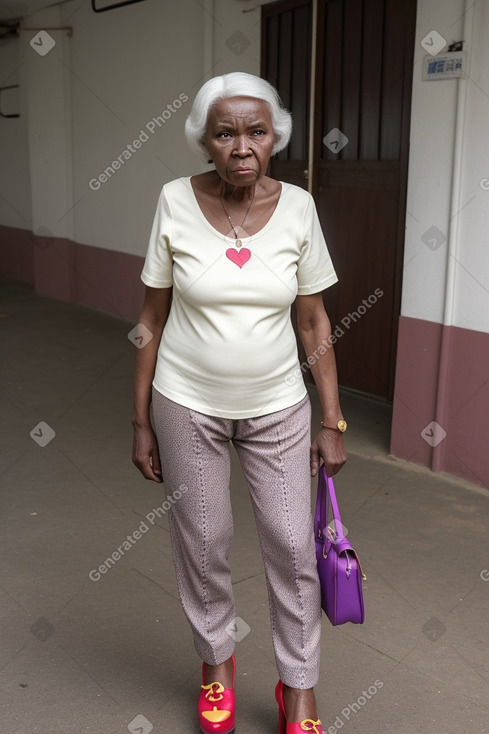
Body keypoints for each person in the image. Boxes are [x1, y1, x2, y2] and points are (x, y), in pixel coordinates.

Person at [132, 71, 347, 734]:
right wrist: (140, 420)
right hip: (185, 401)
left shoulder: (298, 208)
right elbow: (151, 317)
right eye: (225, 132)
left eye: (255, 131)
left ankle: (299, 687)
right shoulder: (173, 200)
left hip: (278, 404)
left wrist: (331, 418)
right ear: (206, 140)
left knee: (287, 543)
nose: (242, 145)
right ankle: (216, 666)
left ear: (273, 136)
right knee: (205, 540)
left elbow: (313, 324)